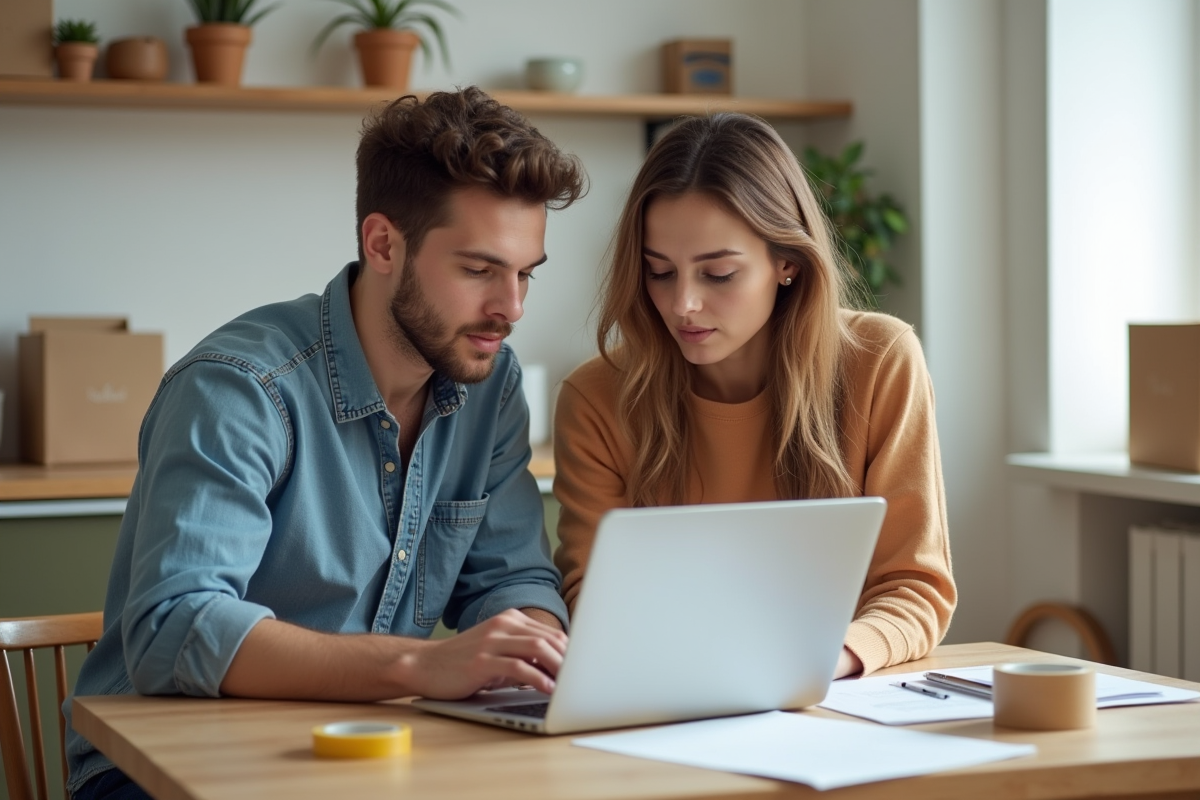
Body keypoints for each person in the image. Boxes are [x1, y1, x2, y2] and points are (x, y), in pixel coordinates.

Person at [66, 86, 585, 800]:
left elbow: (509, 578)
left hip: (370, 758)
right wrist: (420, 667)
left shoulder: (489, 382)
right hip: (162, 767)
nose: (512, 308)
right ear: (382, 244)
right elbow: (175, 627)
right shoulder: (241, 387)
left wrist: (527, 647)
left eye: (525, 273)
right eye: (478, 270)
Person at [552, 113, 955, 679]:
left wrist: (815, 663)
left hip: (834, 696)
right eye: (660, 272)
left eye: (717, 274)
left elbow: (915, 586)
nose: (682, 304)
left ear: (786, 261)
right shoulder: (597, 397)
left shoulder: (881, 362)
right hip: (665, 696)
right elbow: (594, 600)